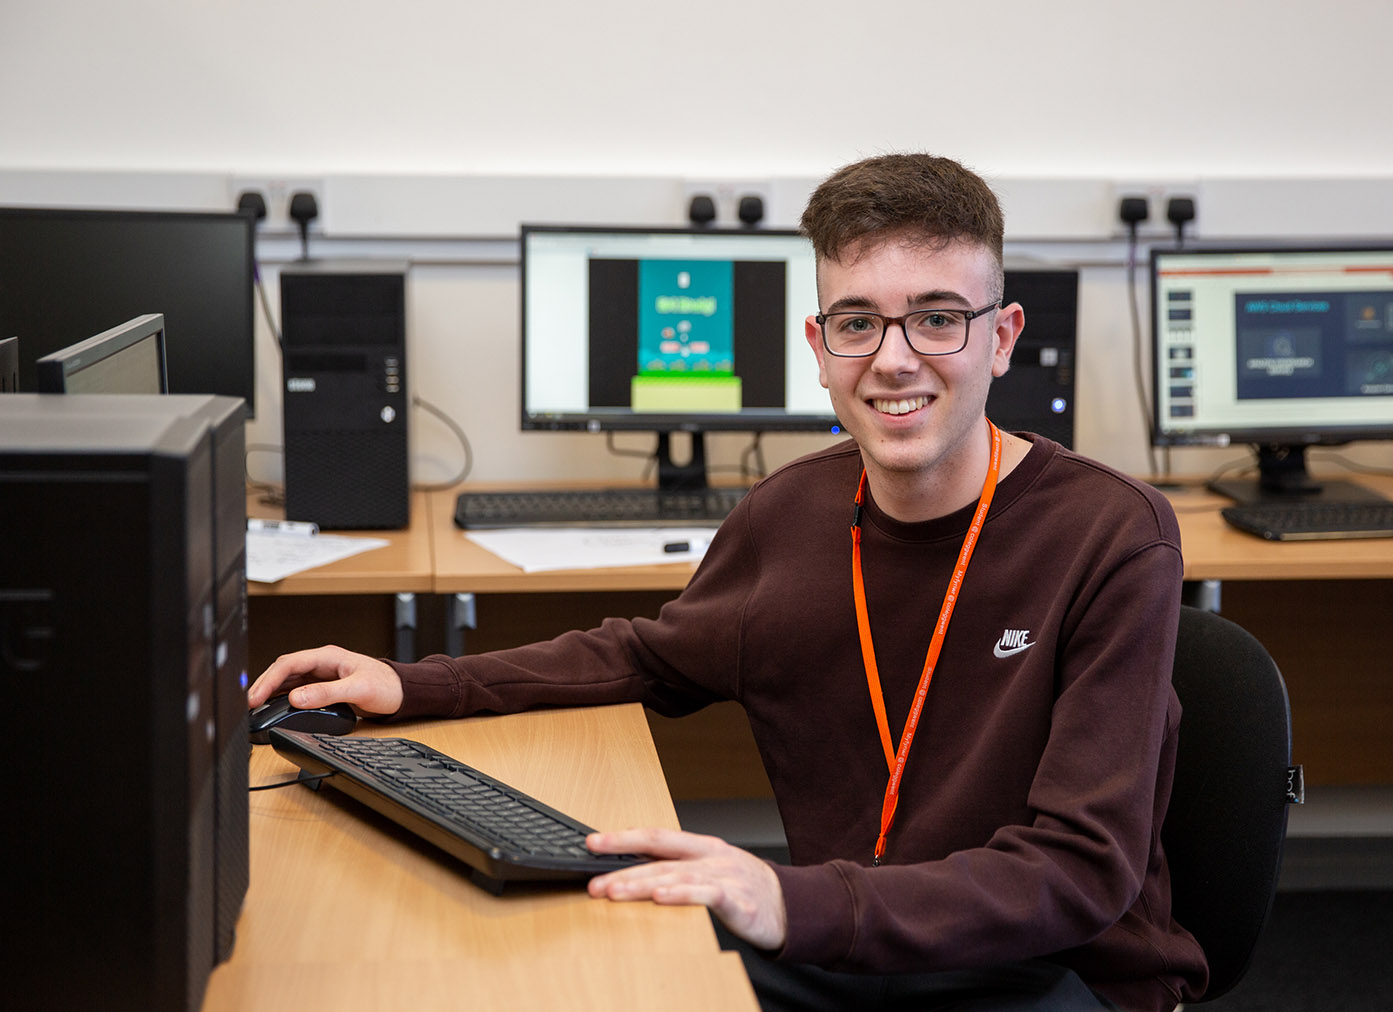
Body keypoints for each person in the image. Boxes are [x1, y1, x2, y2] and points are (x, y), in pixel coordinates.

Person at [251, 152, 1208, 1011]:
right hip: (849, 945)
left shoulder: (1110, 535)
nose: (893, 358)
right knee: (582, 967)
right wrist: (416, 682)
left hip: (1047, 965)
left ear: (1000, 338)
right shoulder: (789, 513)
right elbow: (647, 657)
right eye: (857, 322)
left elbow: (1079, 871)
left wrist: (785, 896)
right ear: (818, 344)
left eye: (937, 319)